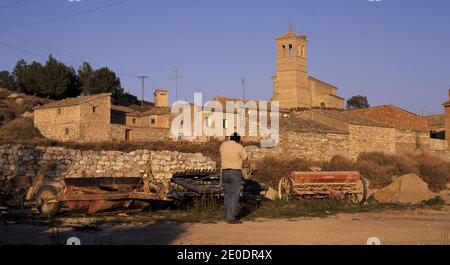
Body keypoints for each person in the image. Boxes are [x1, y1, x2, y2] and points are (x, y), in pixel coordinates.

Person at [219, 132, 248, 224]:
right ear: (238, 140)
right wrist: (241, 146)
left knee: (227, 194)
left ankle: (228, 216)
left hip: (224, 172)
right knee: (235, 194)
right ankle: (231, 217)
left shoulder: (223, 145)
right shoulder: (239, 147)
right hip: (235, 172)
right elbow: (245, 158)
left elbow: (221, 152)